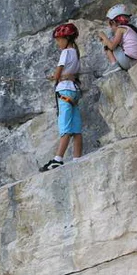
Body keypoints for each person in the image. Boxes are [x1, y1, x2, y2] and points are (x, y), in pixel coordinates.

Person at [40, 23, 83, 171]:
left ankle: (58, 158)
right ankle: (77, 157)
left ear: (66, 38)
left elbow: (58, 74)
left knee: (65, 126)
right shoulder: (76, 53)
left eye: (59, 40)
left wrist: (53, 77)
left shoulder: (65, 53)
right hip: (74, 90)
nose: (58, 43)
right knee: (76, 127)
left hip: (64, 90)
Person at [96, 4, 137, 76]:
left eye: (110, 24)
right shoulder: (129, 29)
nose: (110, 27)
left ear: (115, 21)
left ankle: (114, 66)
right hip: (135, 61)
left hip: (127, 61)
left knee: (107, 47)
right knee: (112, 44)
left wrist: (104, 37)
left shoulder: (120, 29)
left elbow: (112, 46)